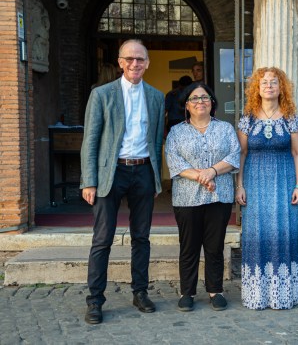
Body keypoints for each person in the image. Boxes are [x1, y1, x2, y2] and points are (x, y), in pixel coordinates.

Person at [80, 39, 165, 324]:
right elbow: (90, 141)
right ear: (120, 62)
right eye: (129, 59)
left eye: (140, 59)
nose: (134, 64)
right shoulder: (102, 94)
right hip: (110, 173)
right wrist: (89, 181)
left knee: (141, 237)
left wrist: (154, 178)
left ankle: (140, 292)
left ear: (147, 63)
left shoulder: (156, 97)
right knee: (102, 238)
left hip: (142, 171)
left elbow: (156, 141)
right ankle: (95, 300)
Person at [165, 82, 240, 312]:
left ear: (212, 103)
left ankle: (215, 290)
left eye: (205, 97)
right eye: (195, 98)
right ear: (186, 105)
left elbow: (235, 154)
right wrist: (202, 176)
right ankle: (186, 291)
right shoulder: (177, 132)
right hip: (187, 198)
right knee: (189, 246)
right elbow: (174, 162)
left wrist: (213, 171)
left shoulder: (225, 129)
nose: (200, 102)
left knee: (214, 246)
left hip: (220, 195)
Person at [235, 67, 298, 310]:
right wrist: (239, 185)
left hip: (284, 181)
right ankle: (257, 294)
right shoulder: (248, 117)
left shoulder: (291, 116)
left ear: (281, 87)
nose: (268, 86)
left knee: (282, 232)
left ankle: (282, 293)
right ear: (257, 87)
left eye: (273, 82)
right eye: (264, 82)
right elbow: (241, 153)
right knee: (257, 234)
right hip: (254, 182)